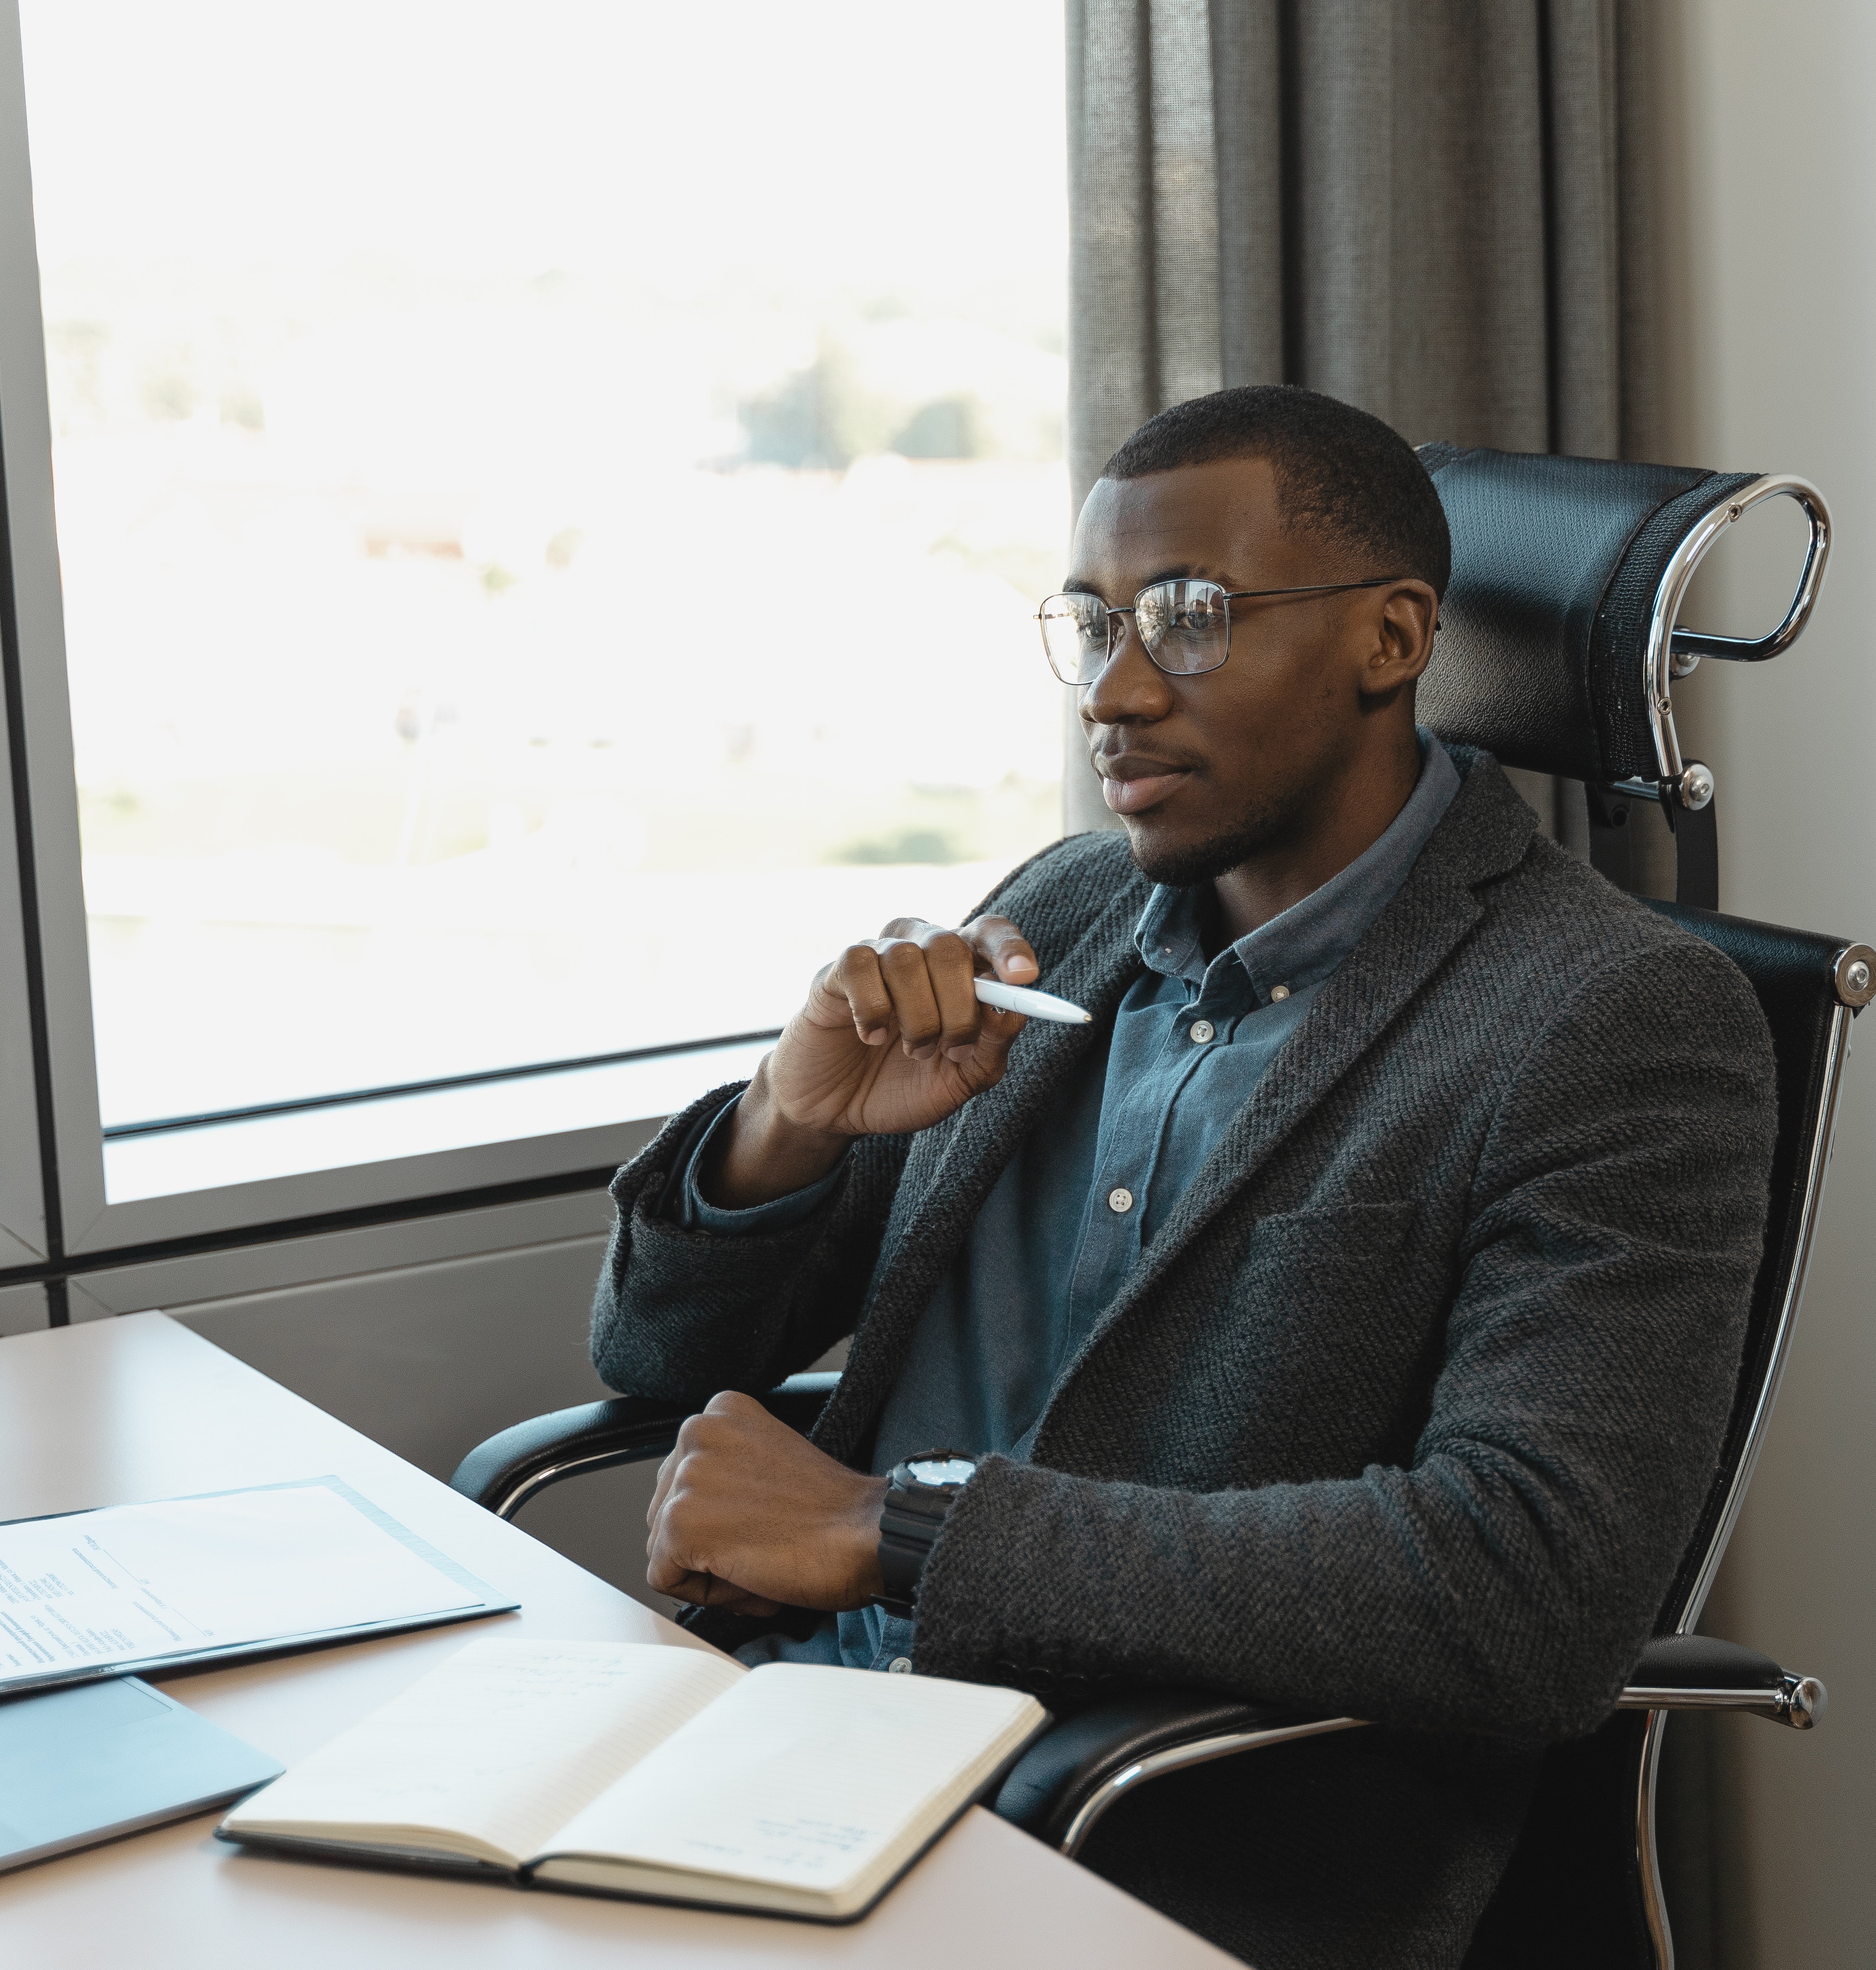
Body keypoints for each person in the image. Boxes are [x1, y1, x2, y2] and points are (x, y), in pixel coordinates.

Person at [591, 384, 1776, 1969]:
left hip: (1131, 1833)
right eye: (1092, 625)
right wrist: (783, 1130)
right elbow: (656, 1361)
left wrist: (897, 1532)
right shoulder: (1063, 912)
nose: (1118, 690)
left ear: (1392, 637)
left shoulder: (1606, 1017)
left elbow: (1529, 1587)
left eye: (1192, 619)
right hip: (800, 1743)